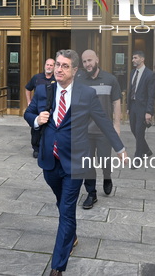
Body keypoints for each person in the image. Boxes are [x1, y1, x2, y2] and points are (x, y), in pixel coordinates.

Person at [24, 49, 128, 276]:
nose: (59, 69)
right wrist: (35, 119)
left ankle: (57, 267)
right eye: (57, 65)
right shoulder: (44, 90)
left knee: (66, 210)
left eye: (64, 66)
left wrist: (119, 147)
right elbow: (28, 112)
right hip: (49, 161)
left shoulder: (86, 94)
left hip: (76, 162)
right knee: (62, 204)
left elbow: (103, 121)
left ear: (74, 70)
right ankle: (72, 235)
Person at [77, 49, 122, 210]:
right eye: (84, 61)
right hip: (85, 132)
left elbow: (116, 102)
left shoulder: (110, 79)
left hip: (104, 130)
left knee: (105, 160)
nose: (87, 64)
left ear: (97, 59)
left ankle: (107, 176)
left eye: (90, 60)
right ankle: (91, 193)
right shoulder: (79, 80)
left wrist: (116, 125)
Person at [127, 50, 155, 163]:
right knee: (133, 129)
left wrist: (149, 111)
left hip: (143, 108)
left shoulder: (150, 74)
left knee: (139, 131)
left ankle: (138, 156)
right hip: (133, 106)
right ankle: (147, 150)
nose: (133, 60)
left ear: (142, 59)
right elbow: (130, 91)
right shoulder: (132, 72)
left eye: (135, 58)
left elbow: (151, 94)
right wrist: (128, 107)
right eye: (133, 58)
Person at [25, 58, 55, 158]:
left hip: (51, 109)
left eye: (51, 65)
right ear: (44, 65)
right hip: (38, 108)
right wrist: (29, 101)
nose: (49, 67)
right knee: (36, 129)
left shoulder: (57, 79)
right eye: (47, 65)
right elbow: (28, 88)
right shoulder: (37, 78)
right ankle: (36, 149)